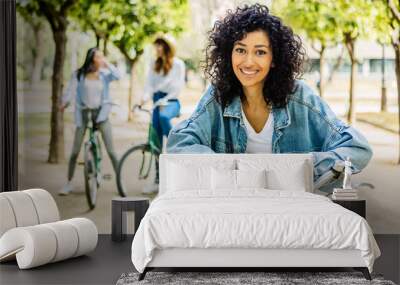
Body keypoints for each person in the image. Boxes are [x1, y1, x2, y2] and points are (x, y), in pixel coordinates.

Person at [166, 4, 372, 189]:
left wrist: (301, 168)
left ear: (274, 59)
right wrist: (229, 169)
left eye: (260, 52)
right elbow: (179, 143)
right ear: (229, 54)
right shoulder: (218, 96)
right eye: (240, 50)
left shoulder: (300, 97)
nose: (248, 62)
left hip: (294, 212)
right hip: (235, 210)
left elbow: (357, 148)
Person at [59, 47, 120, 195]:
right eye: (99, 57)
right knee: (75, 151)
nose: (102, 59)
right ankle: (69, 183)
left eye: (102, 57)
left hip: (101, 114)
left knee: (111, 151)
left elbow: (118, 76)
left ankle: (120, 182)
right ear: (92, 59)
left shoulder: (105, 75)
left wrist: (108, 64)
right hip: (84, 114)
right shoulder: (79, 75)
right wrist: (64, 103)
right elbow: (70, 91)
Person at [140, 35, 185, 194]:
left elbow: (177, 88)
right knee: (156, 143)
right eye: (156, 45)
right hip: (156, 101)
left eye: (160, 45)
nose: (157, 48)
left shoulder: (178, 64)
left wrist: (164, 100)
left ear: (167, 47)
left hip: (171, 101)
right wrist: (143, 99)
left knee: (164, 117)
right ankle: (158, 181)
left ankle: (176, 144)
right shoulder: (154, 64)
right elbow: (149, 85)